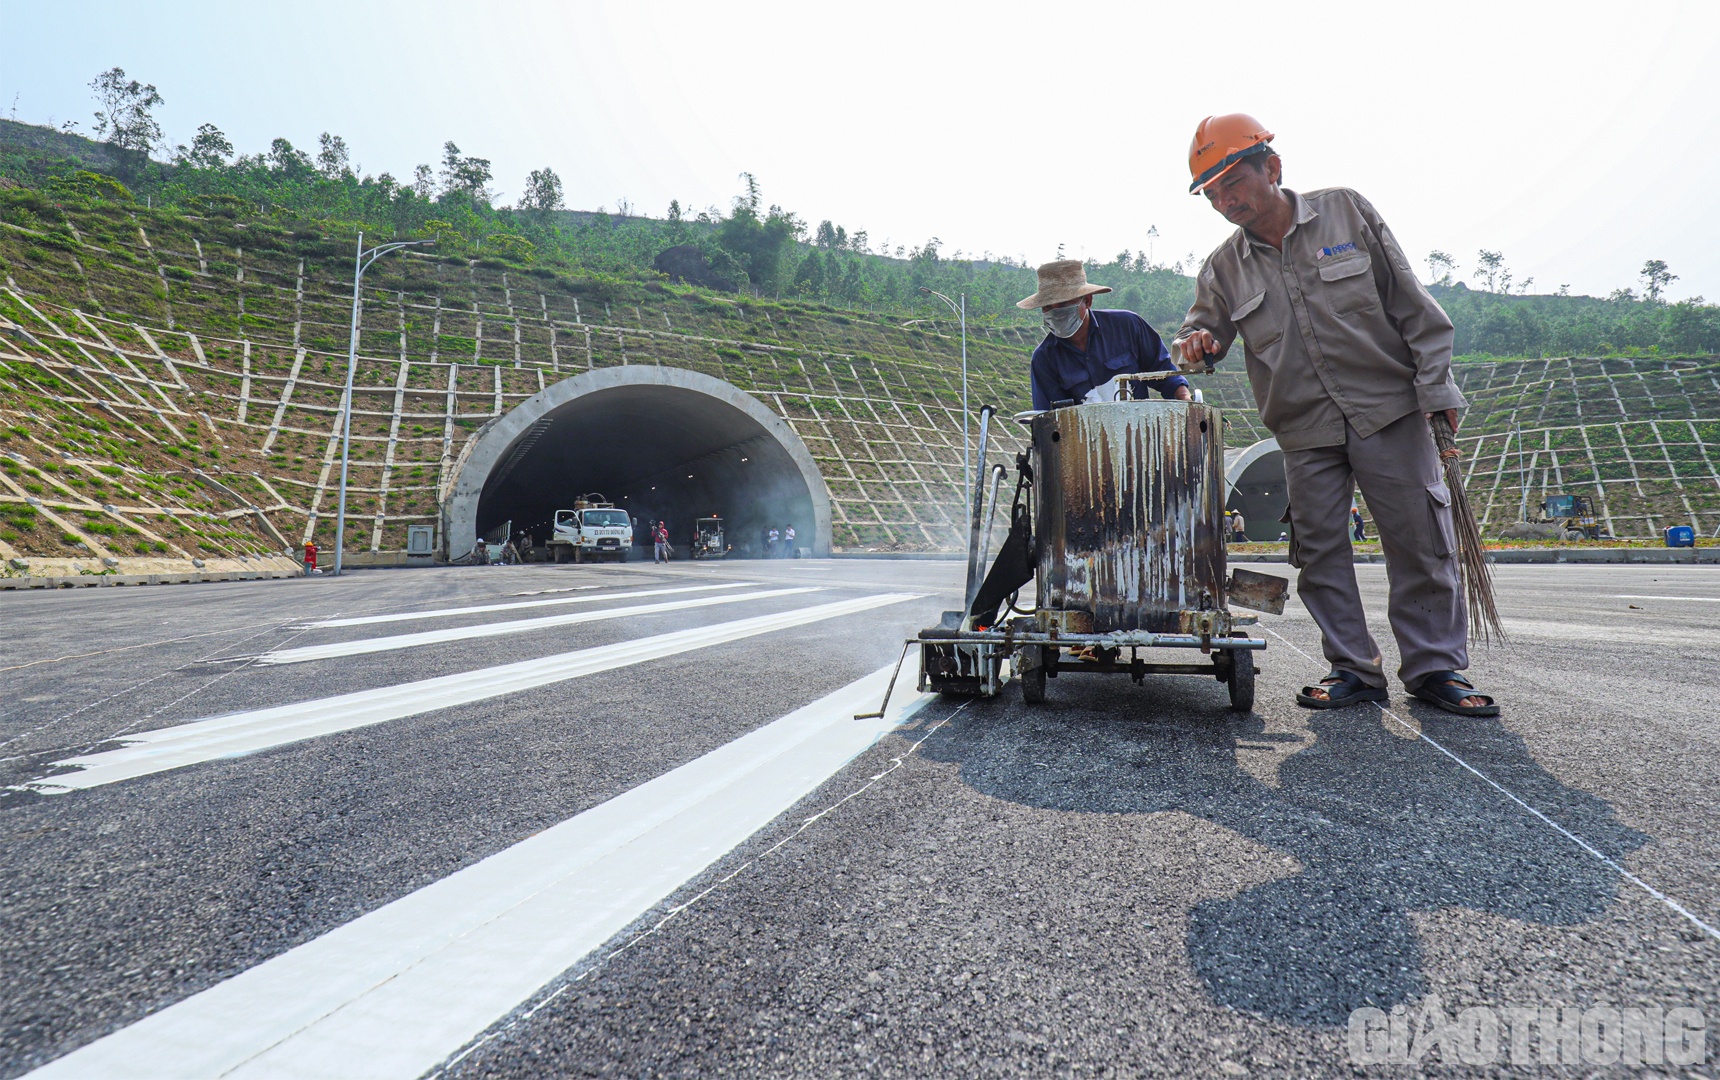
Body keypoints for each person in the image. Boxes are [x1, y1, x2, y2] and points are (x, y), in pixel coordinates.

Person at [1172, 113, 1495, 715]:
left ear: (1272, 167)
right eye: (1212, 194)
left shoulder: (1345, 211)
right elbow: (1199, 332)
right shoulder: (1224, 267)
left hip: (1389, 409)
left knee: (1420, 543)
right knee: (1319, 553)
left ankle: (1433, 671)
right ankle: (1353, 668)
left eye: (1233, 182)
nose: (1225, 201)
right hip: (1303, 427)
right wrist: (1194, 343)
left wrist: (1438, 390)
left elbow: (1409, 302)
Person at [1019, 260, 1192, 410]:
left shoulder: (1128, 326)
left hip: (1140, 435)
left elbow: (1164, 373)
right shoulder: (1044, 359)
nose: (1056, 313)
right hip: (1083, 444)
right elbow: (1050, 420)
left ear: (1087, 300)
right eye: (1047, 307)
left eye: (1064, 304)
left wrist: (1185, 400)